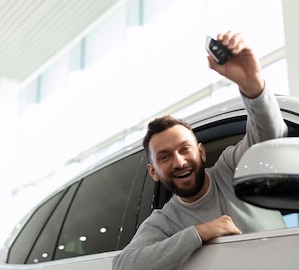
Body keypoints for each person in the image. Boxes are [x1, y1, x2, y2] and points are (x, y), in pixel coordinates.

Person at [111, 31, 288, 270]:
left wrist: (252, 85)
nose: (179, 161)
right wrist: (200, 233)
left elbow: (268, 140)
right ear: (153, 172)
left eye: (185, 149)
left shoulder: (231, 169)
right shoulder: (165, 221)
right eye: (164, 157)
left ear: (201, 152)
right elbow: (123, 266)